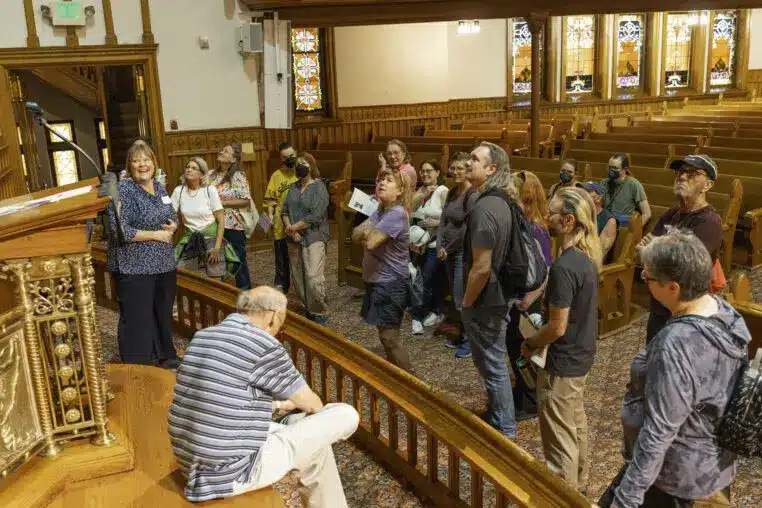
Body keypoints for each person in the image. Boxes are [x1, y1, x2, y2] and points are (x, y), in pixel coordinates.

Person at [168, 286, 360, 506]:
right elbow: (312, 405)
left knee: (315, 448)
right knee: (346, 414)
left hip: (191, 462)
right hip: (229, 473)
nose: (279, 329)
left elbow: (223, 403)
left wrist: (278, 406)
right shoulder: (264, 345)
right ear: (273, 315)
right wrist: (307, 416)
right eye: (283, 323)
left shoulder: (203, 336)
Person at [609, 230, 749, 508]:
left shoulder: (676, 344)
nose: (644, 282)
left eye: (647, 277)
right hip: (712, 458)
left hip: (674, 475)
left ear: (673, 287)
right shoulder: (723, 311)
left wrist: (627, 499)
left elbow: (660, 430)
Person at [522, 187, 601, 493]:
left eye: (551, 213)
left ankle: (563, 495)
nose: (545, 218)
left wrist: (529, 345)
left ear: (568, 221)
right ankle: (578, 488)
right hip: (581, 354)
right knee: (574, 423)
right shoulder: (584, 257)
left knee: (558, 437)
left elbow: (557, 327)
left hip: (563, 361)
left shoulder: (566, 266)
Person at [461, 141, 518, 439]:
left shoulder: (485, 207)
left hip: (486, 299)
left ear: (491, 168)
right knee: (493, 363)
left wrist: (466, 303)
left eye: (474, 159)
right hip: (497, 295)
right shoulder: (500, 200)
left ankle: (505, 431)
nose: (468, 162)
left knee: (493, 366)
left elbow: (482, 267)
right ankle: (501, 419)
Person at [106, 140, 180, 368]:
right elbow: (120, 230)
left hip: (164, 262)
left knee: (162, 311)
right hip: (135, 266)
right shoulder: (122, 191)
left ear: (153, 163)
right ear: (130, 165)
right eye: (136, 161)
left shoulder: (159, 187)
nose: (142, 165)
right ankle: (138, 362)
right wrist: (156, 235)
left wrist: (173, 226)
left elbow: (171, 213)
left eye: (146, 160)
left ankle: (165, 354)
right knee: (138, 316)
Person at [636, 155, 723, 343]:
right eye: (680, 172)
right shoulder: (672, 213)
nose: (682, 177)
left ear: (707, 185)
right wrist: (656, 254)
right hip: (661, 306)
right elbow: (642, 250)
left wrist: (654, 253)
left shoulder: (709, 222)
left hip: (687, 313)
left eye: (691, 173)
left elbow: (683, 268)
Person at [352, 169, 413, 371]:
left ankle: (412, 383)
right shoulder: (381, 210)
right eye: (380, 179)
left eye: (389, 180)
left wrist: (369, 233)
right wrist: (369, 232)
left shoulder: (395, 214)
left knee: (390, 336)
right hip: (377, 280)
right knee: (384, 334)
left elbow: (369, 242)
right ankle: (395, 376)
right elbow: (355, 234)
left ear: (400, 191)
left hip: (390, 283)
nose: (382, 183)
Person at [505, 170, 553, 420]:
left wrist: (528, 299)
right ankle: (522, 390)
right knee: (514, 348)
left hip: (530, 302)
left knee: (528, 352)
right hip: (519, 301)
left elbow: (546, 270)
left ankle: (532, 399)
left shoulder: (536, 229)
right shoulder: (521, 224)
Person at [436, 152, 478, 359]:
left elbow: (466, 229)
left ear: (468, 170)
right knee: (454, 295)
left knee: (462, 298)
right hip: (447, 251)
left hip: (461, 252)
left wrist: (448, 248)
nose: (455, 172)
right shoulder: (452, 192)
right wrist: (438, 245)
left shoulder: (472, 195)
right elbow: (444, 220)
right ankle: (461, 333)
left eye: (460, 168)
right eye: (453, 168)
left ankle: (470, 340)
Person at [282, 153, 330, 325]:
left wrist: (294, 227)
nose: (300, 167)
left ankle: (319, 310)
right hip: (293, 236)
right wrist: (290, 229)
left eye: (304, 164)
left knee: (312, 276)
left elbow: (315, 215)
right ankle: (308, 306)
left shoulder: (319, 187)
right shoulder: (294, 187)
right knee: (298, 275)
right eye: (298, 164)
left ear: (311, 166)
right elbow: (285, 210)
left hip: (314, 235)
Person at [172, 157, 237, 279]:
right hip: (191, 240)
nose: (189, 170)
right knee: (184, 278)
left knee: (216, 281)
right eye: (187, 167)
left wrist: (217, 248)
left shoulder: (209, 190)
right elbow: (170, 215)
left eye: (194, 168)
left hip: (211, 240)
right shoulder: (178, 191)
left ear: (202, 175)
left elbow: (221, 221)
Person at [410, 159, 449, 335]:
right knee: (426, 280)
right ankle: (434, 309)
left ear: (438, 173)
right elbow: (409, 212)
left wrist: (436, 222)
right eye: (422, 171)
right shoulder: (420, 191)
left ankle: (417, 316)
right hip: (418, 244)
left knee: (425, 280)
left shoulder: (442, 191)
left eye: (429, 171)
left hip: (435, 244)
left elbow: (453, 219)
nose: (425, 174)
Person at [208, 144, 254, 290]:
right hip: (213, 224)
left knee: (237, 259)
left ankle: (244, 291)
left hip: (232, 224)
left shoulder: (237, 175)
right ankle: (221, 293)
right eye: (221, 149)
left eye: (226, 151)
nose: (221, 151)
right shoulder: (211, 175)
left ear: (233, 159)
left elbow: (245, 200)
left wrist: (220, 203)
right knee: (216, 260)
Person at [263, 142, 300, 293]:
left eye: (291, 155)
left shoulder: (302, 172)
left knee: (300, 257)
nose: (289, 159)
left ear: (296, 153)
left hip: (299, 220)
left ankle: (303, 288)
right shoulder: (276, 176)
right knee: (281, 256)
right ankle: (282, 285)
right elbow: (270, 199)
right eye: (285, 157)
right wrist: (270, 216)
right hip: (280, 222)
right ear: (281, 159)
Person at [599, 153, 651, 227]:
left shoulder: (634, 184)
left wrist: (634, 231)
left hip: (622, 225)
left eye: (615, 168)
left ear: (624, 169)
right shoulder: (604, 183)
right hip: (606, 223)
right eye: (609, 167)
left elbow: (647, 213)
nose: (611, 170)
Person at [577, 181, 618, 262]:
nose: (582, 195)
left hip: (590, 265)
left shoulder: (609, 220)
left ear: (598, 198)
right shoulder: (578, 215)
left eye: (588, 192)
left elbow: (599, 254)